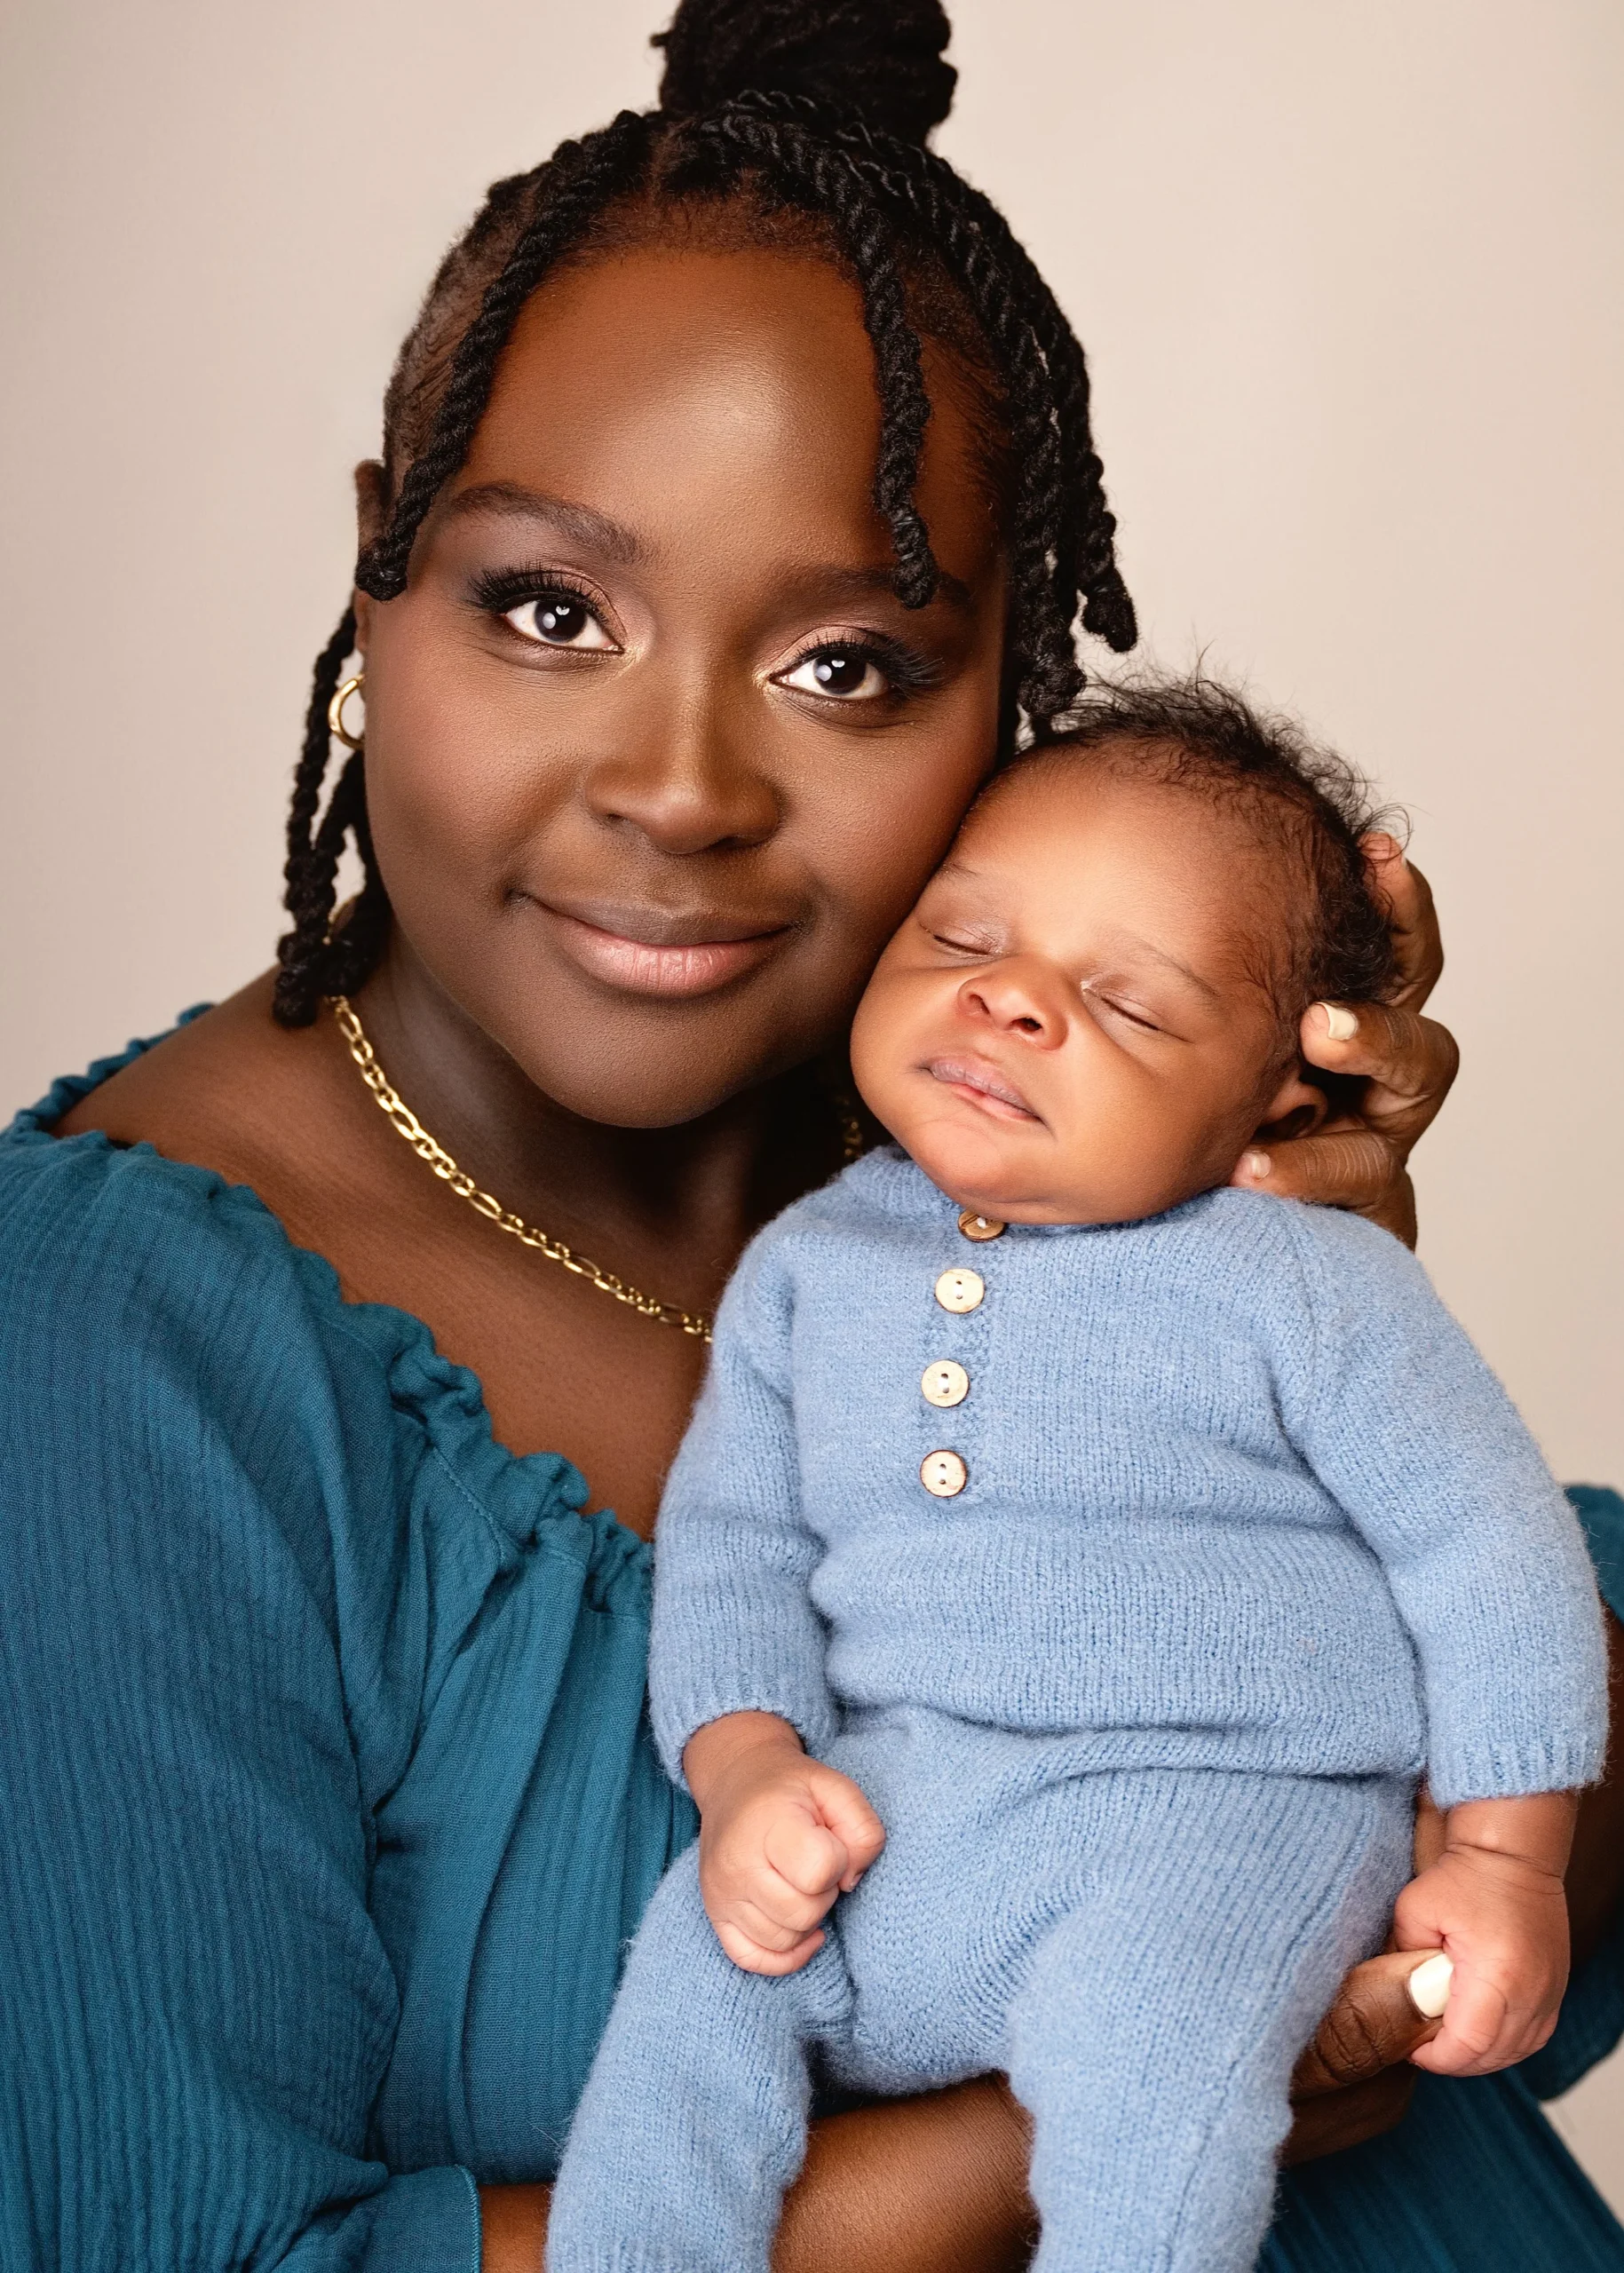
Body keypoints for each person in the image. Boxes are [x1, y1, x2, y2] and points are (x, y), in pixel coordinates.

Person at [0, 2, 1619, 2268]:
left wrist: (1317, 1288)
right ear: (379, 574)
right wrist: (1127, 2100)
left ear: (1013, 687)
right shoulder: (95, 1356)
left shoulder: (1026, 1146)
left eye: (846, 662)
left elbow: (1531, 1862)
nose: (679, 788)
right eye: (546, 605)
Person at [546, 685, 1608, 2272]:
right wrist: (747, 1770)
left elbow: (1491, 1552)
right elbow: (732, 1557)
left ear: (1282, 1096)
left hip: (1225, 1814)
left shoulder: (1301, 1279)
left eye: (1133, 1007)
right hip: (904, 1809)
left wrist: (1506, 1856)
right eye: (963, 945)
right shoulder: (808, 1269)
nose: (1015, 1005)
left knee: (1148, 2063)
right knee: (698, 1982)